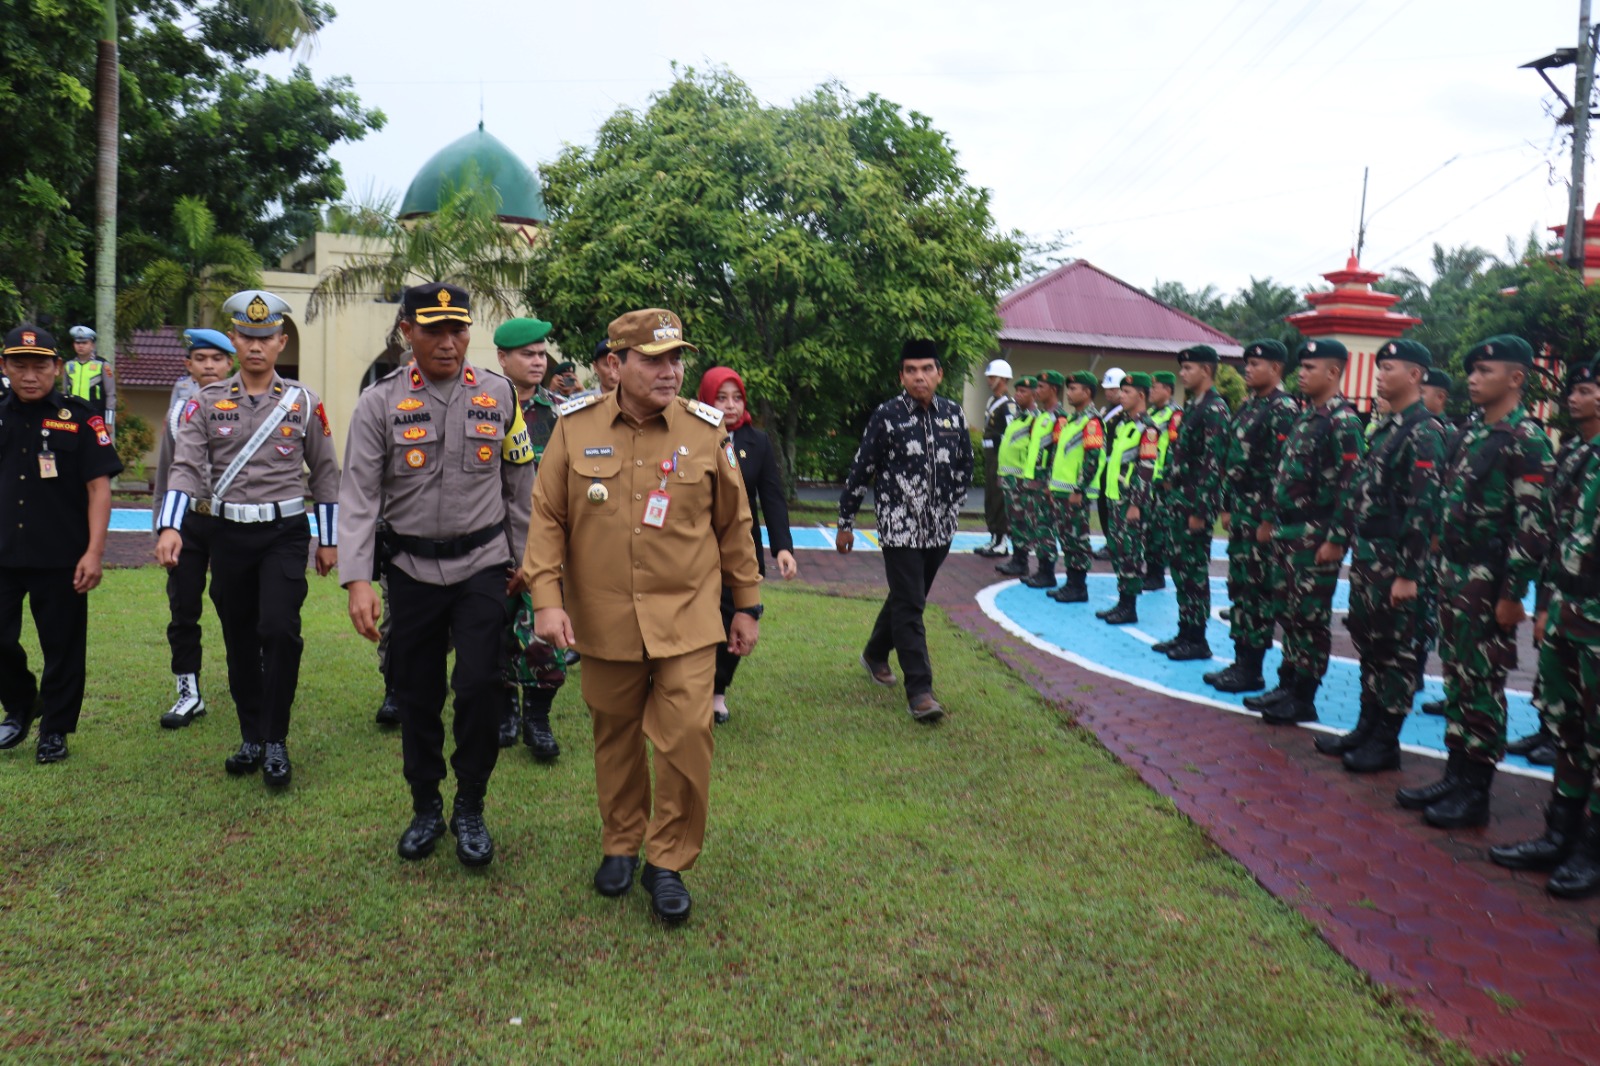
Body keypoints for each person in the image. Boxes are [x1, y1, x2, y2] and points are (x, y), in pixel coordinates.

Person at [524, 307, 761, 923]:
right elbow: (548, 517)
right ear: (615, 364)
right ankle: (621, 842)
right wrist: (546, 600)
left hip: (686, 617)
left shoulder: (706, 431)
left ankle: (668, 861)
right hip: (604, 620)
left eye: (676, 358)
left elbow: (734, 524)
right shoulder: (573, 429)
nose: (670, 370)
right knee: (615, 735)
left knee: (687, 735)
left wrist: (747, 604)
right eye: (654, 359)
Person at [341, 283, 536, 868]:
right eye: (433, 330)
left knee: (479, 687)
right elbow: (358, 494)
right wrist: (356, 579)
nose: (449, 342)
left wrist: (525, 557)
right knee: (416, 694)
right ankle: (426, 804)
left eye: (458, 329)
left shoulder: (499, 395)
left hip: (483, 566)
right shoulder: (379, 402)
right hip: (410, 569)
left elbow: (520, 485)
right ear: (408, 332)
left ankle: (470, 805)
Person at [155, 290, 340, 788]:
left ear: (281, 341)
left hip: (283, 533)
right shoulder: (205, 402)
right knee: (238, 637)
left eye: (266, 337)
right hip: (228, 534)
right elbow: (186, 468)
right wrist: (171, 525)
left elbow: (325, 474)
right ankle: (252, 735)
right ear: (235, 340)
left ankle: (276, 739)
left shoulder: (304, 402)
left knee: (279, 630)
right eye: (247, 336)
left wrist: (329, 540)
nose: (256, 346)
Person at [1402, 335, 1553, 829]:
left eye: (1485, 372)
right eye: (1471, 371)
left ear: (1516, 379)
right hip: (1457, 576)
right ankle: (1456, 772)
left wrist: (1514, 594)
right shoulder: (1471, 433)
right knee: (1459, 680)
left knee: (1483, 685)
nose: (1472, 379)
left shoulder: (1525, 439)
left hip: (1490, 582)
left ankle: (1476, 792)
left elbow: (1534, 526)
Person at [1488, 356, 1600, 889]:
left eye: (1588, 387)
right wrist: (1547, 602)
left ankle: (1592, 851)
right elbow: (1556, 534)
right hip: (1570, 609)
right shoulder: (1580, 452)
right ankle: (1560, 833)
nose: (1578, 396)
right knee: (1569, 731)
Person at [1316, 339, 1445, 775]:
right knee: (1371, 644)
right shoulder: (1386, 429)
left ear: (1414, 375)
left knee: (1398, 652)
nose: (1379, 374)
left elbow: (1423, 508)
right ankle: (1366, 725)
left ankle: (1386, 740)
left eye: (1389, 367)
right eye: (1379, 366)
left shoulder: (1425, 431)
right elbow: (1360, 493)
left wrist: (1409, 573)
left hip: (1397, 562)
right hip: (1371, 557)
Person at [0, 325, 121, 764]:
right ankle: (20, 702)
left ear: (57, 367)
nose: (30, 375)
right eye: (19, 365)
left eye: (39, 365)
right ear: (4, 367)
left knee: (63, 647)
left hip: (61, 554)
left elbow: (98, 488)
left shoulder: (81, 417)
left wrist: (94, 552)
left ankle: (54, 728)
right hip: (3, 552)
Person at [839, 339, 974, 722]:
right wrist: (846, 522)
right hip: (899, 526)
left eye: (927, 369)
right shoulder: (887, 415)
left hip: (941, 528)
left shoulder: (953, 414)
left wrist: (953, 504)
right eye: (911, 370)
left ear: (939, 374)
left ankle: (874, 653)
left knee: (907, 596)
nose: (920, 377)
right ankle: (921, 691)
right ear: (902, 375)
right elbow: (862, 468)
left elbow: (966, 463)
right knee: (912, 604)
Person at [1249, 339, 1367, 727]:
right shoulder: (1306, 416)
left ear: (1333, 373)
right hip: (1289, 531)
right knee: (1290, 614)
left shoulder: (1343, 421)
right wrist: (1269, 517)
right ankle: (1287, 684)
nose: (1301, 373)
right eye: (1301, 367)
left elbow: (1351, 486)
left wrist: (1337, 539)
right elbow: (1282, 476)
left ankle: (1304, 695)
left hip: (1315, 535)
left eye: (1311, 367)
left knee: (1310, 617)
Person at [698, 366, 796, 724]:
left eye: (737, 397)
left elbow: (772, 497)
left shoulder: (758, 443)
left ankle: (717, 691)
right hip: (694, 548)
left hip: (741, 550)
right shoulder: (690, 437)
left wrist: (782, 547)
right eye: (721, 397)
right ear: (706, 399)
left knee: (737, 616)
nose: (731, 406)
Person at [152, 328, 235, 728]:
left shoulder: (246, 404)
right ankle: (188, 692)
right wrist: (161, 526)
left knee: (237, 605)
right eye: (200, 359)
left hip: (231, 521)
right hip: (186, 520)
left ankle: (251, 682)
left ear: (229, 363)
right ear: (188, 365)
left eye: (216, 359)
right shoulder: (178, 411)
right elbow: (167, 472)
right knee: (183, 607)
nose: (209, 366)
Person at [1204, 340, 1299, 693]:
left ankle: (1253, 669)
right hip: (1242, 512)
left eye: (1256, 363)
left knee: (1258, 593)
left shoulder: (1282, 409)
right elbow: (1232, 460)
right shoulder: (1249, 406)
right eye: (1247, 363)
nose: (1247, 368)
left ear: (1276, 369)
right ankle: (1241, 661)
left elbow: (1281, 470)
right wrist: (1227, 505)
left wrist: (1268, 519)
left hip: (1260, 514)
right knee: (1241, 589)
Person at [493, 317, 566, 760]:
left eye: (542, 354)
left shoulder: (562, 413)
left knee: (547, 634)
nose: (538, 362)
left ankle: (537, 718)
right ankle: (505, 712)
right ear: (503, 358)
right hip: (493, 542)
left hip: (547, 545)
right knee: (494, 631)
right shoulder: (483, 407)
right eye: (528, 354)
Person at [1153, 345, 1231, 661]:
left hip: (1194, 506)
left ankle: (1198, 640)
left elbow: (1214, 463)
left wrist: (1201, 510)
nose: (1183, 374)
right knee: (1182, 571)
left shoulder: (1214, 409)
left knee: (1194, 573)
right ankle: (1185, 632)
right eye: (1182, 369)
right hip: (1180, 501)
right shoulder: (1194, 407)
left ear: (1207, 370)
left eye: (1189, 369)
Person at [1093, 372, 1158, 624]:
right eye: (1120, 391)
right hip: (1114, 498)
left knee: (1131, 554)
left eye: (1127, 392)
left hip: (1130, 502)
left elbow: (1146, 468)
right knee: (1120, 553)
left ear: (1141, 396)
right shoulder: (1122, 425)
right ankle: (1122, 602)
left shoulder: (1148, 429)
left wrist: (1136, 504)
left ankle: (1129, 608)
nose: (1121, 395)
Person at [1045, 371, 1104, 604]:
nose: (1068, 393)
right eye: (1068, 389)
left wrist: (1079, 489)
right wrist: (1052, 484)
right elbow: (1061, 457)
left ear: (1087, 392)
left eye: (1074, 389)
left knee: (1077, 539)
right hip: (1062, 490)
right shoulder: (1073, 421)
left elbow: (1093, 458)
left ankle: (1079, 586)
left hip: (1075, 493)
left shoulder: (1091, 422)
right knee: (1067, 539)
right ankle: (1071, 583)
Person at [1018, 370, 1064, 589]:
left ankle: (1048, 572)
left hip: (1045, 483)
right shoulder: (1042, 417)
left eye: (1041, 387)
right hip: (1032, 480)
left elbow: (1057, 453)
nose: (1037, 391)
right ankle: (1041, 569)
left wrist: (1049, 483)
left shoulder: (1059, 418)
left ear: (1053, 390)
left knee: (1045, 527)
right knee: (1036, 526)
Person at [994, 377, 1036, 577]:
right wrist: (1001, 473)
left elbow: (1033, 452)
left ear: (1033, 395)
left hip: (1022, 480)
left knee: (1021, 521)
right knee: (1013, 520)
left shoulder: (1034, 419)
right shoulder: (1018, 418)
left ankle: (1022, 561)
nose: (1018, 395)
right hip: (1010, 477)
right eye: (1017, 391)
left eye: (1023, 392)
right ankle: (1016, 558)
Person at [976, 359, 1017, 558]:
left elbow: (1011, 433)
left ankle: (1002, 541)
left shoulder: (1008, 405)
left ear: (1003, 379)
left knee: (1000, 497)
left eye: (992, 377)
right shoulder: (992, 401)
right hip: (990, 455)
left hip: (1000, 455)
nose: (989, 380)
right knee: (990, 496)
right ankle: (993, 536)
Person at [1143, 371, 1178, 590]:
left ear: (1167, 390)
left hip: (1162, 482)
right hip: (1148, 479)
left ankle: (1156, 575)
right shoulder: (1151, 413)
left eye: (1155, 388)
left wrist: (1168, 474)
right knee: (1148, 528)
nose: (1151, 392)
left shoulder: (1174, 415)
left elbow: (1175, 446)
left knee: (1159, 529)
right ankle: (1150, 570)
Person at [1095, 367, 1127, 558]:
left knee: (1114, 505)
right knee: (1102, 504)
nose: (1108, 392)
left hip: (1116, 465)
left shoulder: (1124, 412)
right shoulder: (1105, 410)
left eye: (1113, 389)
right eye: (1107, 389)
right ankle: (1109, 540)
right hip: (1103, 463)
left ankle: (1115, 543)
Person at [63, 325, 115, 434]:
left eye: (84, 343)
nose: (80, 346)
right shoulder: (69, 365)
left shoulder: (102, 365)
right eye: (77, 343)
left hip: (96, 416)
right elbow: (64, 392)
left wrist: (109, 421)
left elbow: (111, 394)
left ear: (92, 345)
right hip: (73, 416)